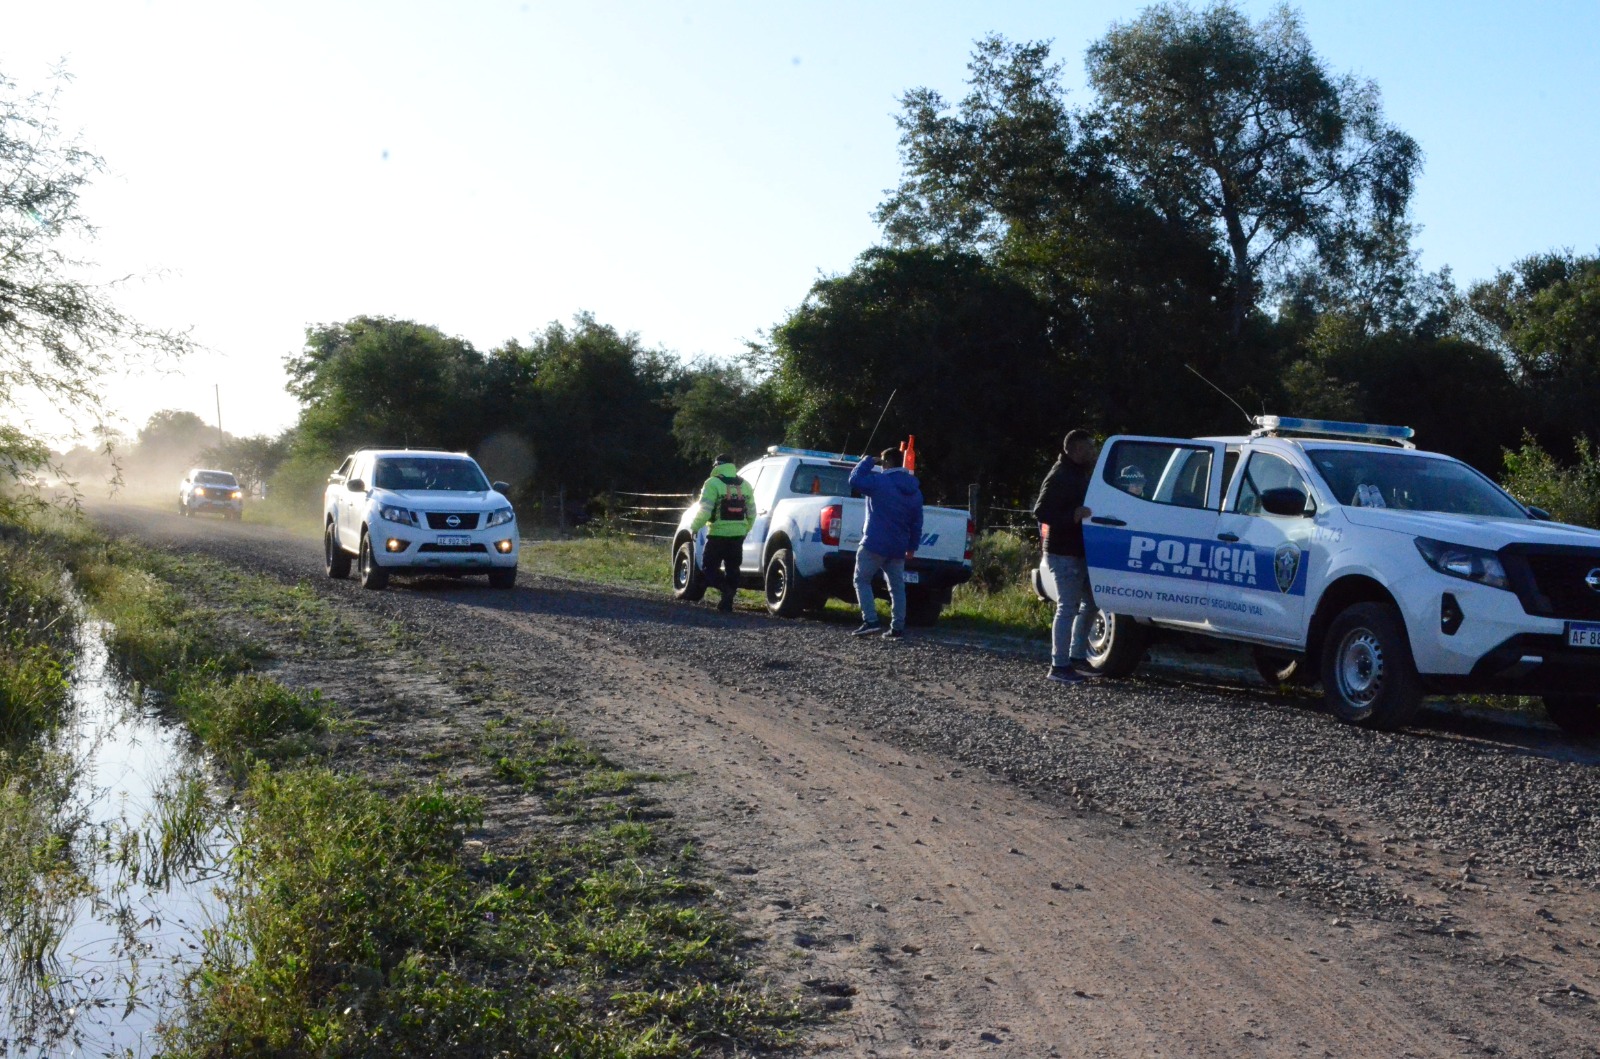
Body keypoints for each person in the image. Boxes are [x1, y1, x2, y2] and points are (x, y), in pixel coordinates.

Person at [1033, 429, 1098, 684]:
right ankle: (1058, 665)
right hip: (1062, 553)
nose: (1093, 452)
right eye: (1089, 448)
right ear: (1076, 449)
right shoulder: (1059, 475)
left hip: (1079, 552)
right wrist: (1072, 516)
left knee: (1092, 601)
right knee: (1067, 607)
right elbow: (1040, 511)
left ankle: (1077, 656)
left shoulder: (1079, 474)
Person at [847, 446, 924, 639]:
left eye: (882, 463)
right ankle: (897, 627)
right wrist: (912, 547)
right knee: (897, 587)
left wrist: (867, 461)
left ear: (887, 462)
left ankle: (871, 620)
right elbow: (917, 522)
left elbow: (854, 480)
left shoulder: (879, 481)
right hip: (898, 546)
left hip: (874, 542)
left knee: (861, 579)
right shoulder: (915, 490)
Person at [689, 454, 755, 612]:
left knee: (709, 567)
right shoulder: (745, 485)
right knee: (733, 568)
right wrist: (745, 529)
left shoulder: (712, 483)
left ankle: (725, 589)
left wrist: (695, 526)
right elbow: (752, 513)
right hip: (738, 535)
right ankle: (727, 602)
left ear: (717, 465)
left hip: (718, 534)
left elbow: (705, 509)